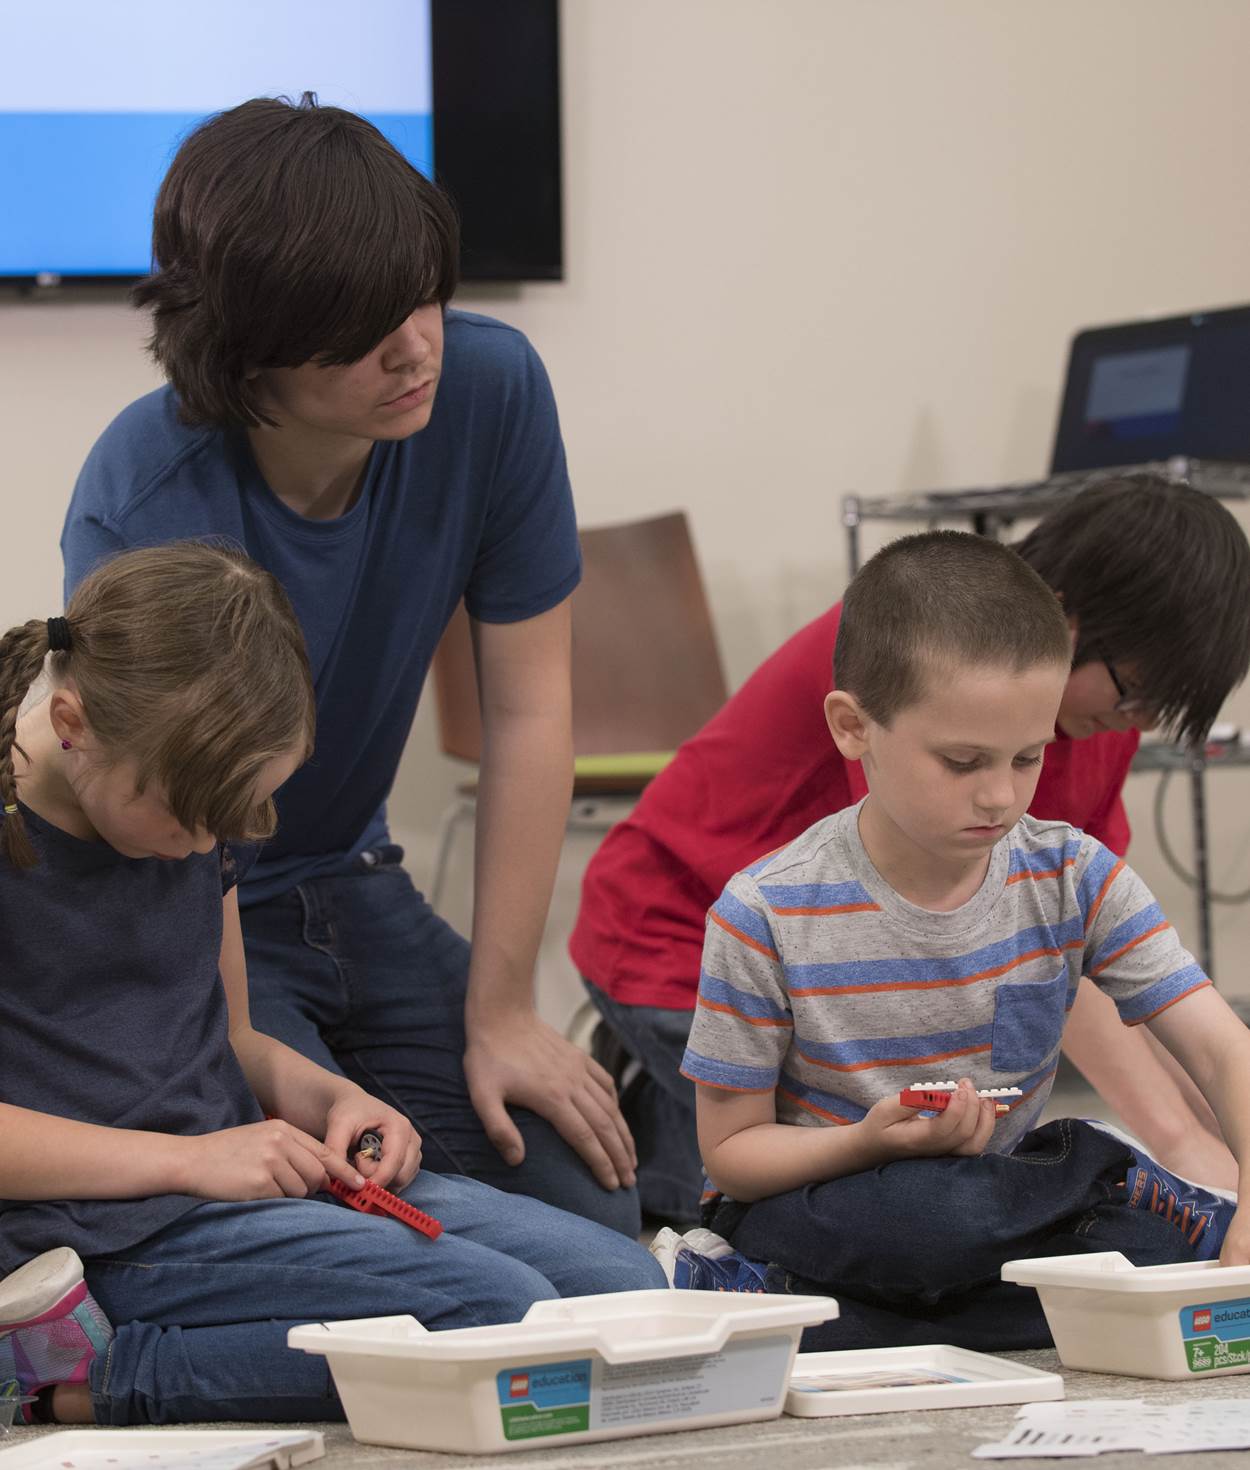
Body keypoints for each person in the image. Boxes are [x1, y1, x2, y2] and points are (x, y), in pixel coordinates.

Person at [61, 94, 638, 1237]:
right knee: (353, 1213)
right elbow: (169, 826)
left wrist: (507, 1010)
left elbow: (530, 713)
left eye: (423, 294)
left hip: (359, 880)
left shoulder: (492, 388)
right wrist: (250, 1060)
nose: (415, 345)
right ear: (246, 345)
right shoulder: (143, 494)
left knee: (594, 1215)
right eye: (362, 326)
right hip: (205, 902)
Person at [0, 543, 663, 1427]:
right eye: (188, 819)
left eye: (228, 825)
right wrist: (193, 1159)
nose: (206, 849)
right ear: (73, 723)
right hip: (95, 1227)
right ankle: (79, 1381)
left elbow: (234, 1039)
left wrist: (336, 1100)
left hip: (222, 1185)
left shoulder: (193, 811)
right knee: (497, 1312)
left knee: (627, 1288)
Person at [571, 475, 1250, 1223]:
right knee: (846, 1187)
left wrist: (1223, 1141)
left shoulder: (1081, 721)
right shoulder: (911, 669)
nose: (1139, 722)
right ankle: (642, 1104)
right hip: (675, 942)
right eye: (1132, 692)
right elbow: (1046, 959)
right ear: (1068, 617)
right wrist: (1179, 1140)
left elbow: (1088, 949)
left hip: (865, 984)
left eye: (1156, 709)